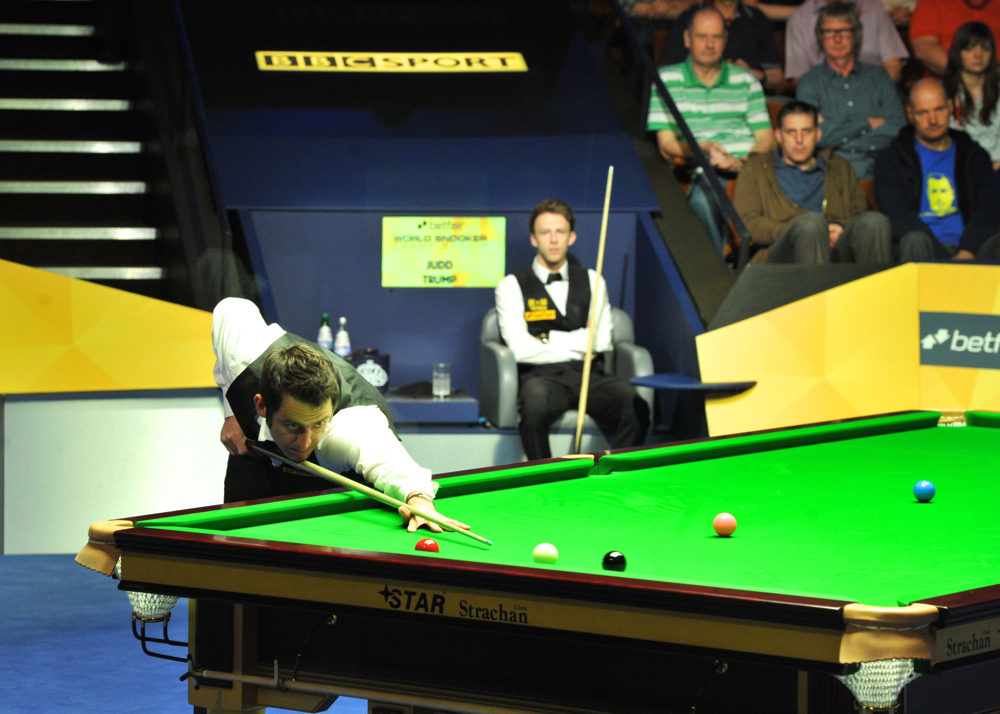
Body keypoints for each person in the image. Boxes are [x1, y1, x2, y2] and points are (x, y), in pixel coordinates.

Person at [212, 297, 467, 534]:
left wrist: (419, 499)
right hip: (256, 460)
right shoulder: (242, 357)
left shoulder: (348, 427)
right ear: (262, 406)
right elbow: (232, 308)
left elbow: (390, 462)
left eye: (317, 424)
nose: (305, 442)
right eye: (293, 426)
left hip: (334, 481)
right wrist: (232, 412)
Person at [493, 200, 650, 461]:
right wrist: (580, 341)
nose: (553, 239)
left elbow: (601, 341)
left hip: (589, 373)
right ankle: (547, 478)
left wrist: (546, 339)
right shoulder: (510, 286)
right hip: (541, 378)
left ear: (571, 237)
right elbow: (520, 350)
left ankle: (611, 475)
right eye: (545, 232)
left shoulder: (593, 280)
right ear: (534, 239)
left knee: (636, 407)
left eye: (560, 231)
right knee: (533, 410)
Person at [647, 6, 774, 255]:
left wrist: (740, 162)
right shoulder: (666, 80)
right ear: (687, 39)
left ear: (725, 41)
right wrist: (702, 148)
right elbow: (666, 146)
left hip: (749, 169)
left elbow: (767, 140)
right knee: (703, 197)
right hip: (702, 170)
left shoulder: (745, 80)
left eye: (716, 37)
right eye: (702, 36)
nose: (709, 44)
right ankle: (720, 268)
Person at [735, 101, 892, 263]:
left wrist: (841, 227)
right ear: (779, 135)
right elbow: (748, 223)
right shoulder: (756, 168)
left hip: (837, 250)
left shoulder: (839, 167)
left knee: (875, 222)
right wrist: (797, 230)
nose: (799, 140)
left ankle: (879, 281)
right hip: (781, 254)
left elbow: (859, 211)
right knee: (811, 225)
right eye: (791, 132)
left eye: (806, 131)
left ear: (818, 134)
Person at [874, 80, 1000, 261]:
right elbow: (898, 216)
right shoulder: (892, 159)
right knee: (915, 240)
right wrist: (947, 262)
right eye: (923, 113)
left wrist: (967, 252)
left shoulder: (973, 155)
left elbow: (989, 209)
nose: (933, 120)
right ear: (910, 114)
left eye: (939, 109)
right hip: (924, 250)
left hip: (972, 250)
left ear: (950, 107)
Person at [796, 1, 907, 180]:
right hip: (834, 170)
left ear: (856, 35)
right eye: (829, 32)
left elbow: (898, 127)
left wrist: (840, 138)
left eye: (844, 31)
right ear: (820, 37)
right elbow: (813, 136)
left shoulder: (879, 77)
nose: (837, 39)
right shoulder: (809, 82)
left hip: (884, 165)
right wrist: (868, 123)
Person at [659, 0, 783, 92]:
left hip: (749, 94)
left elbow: (777, 76)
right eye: (702, 36)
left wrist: (753, 75)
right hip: (696, 95)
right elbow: (667, 72)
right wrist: (711, 72)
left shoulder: (757, 19)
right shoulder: (689, 18)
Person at [785, 0, 908, 83]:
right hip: (824, 100)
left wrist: (875, 95)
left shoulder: (874, 8)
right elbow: (800, 78)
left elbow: (893, 66)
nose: (837, 39)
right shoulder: (801, 16)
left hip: (874, 95)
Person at [944, 22, 1000, 172]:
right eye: (969, 48)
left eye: (985, 48)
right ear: (958, 53)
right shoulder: (944, 93)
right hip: (957, 170)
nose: (978, 54)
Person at [910, 0, 1000, 78]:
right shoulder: (934, 2)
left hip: (995, 80)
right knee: (925, 91)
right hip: (947, 82)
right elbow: (924, 48)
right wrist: (972, 74)